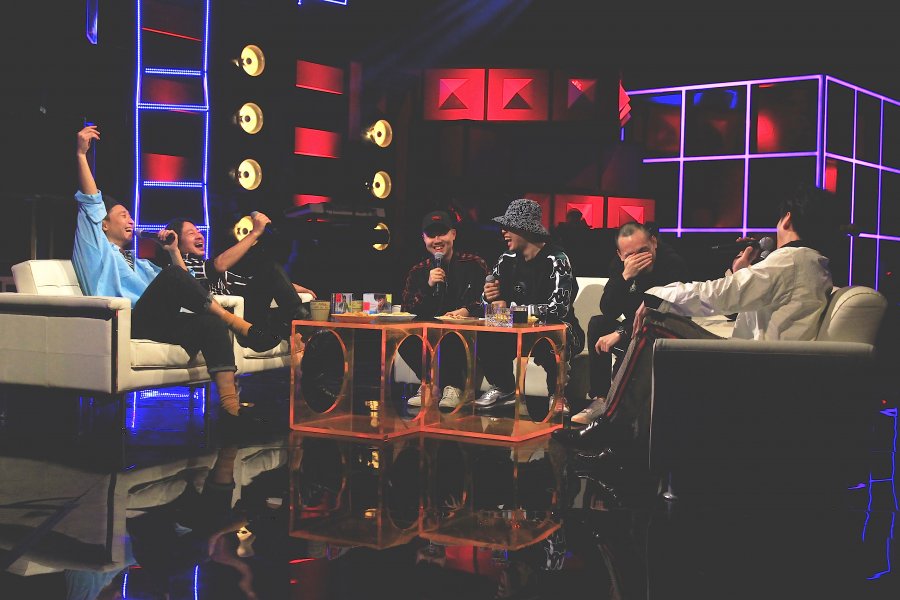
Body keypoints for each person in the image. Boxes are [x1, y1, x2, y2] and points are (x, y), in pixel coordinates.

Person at [553, 182, 842, 451]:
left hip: (758, 363)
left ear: (787, 219)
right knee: (613, 323)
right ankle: (618, 419)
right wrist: (742, 269)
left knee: (653, 323)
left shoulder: (789, 261)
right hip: (766, 359)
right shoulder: (808, 263)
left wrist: (657, 297)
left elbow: (717, 295)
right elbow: (742, 301)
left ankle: (612, 425)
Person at [72, 125, 278, 420]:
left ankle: (230, 407)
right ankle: (236, 323)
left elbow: (185, 283)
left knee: (209, 323)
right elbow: (91, 201)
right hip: (122, 321)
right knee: (172, 277)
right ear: (103, 224)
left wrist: (172, 251)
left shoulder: (139, 263)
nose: (131, 220)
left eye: (131, 216)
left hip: (154, 320)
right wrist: (81, 155)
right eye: (123, 215)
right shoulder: (95, 248)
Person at [571, 222, 690, 425]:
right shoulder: (621, 266)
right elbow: (609, 309)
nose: (638, 259)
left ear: (654, 242)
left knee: (627, 348)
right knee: (598, 324)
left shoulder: (672, 264)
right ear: (620, 255)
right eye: (630, 255)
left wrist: (620, 333)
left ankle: (622, 411)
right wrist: (625, 276)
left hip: (663, 330)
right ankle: (600, 398)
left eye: (643, 251)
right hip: (632, 327)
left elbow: (661, 313)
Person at [476, 198, 585, 411]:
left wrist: (510, 310)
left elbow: (558, 309)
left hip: (557, 329)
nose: (503, 232)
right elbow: (485, 305)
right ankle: (504, 388)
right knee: (486, 329)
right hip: (516, 331)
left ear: (525, 228)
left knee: (555, 332)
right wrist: (488, 298)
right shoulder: (506, 259)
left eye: (509, 227)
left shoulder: (557, 259)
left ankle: (557, 394)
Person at [164, 214, 317, 342]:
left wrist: (297, 288)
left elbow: (253, 281)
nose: (199, 235)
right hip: (231, 325)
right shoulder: (179, 269)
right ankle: (303, 324)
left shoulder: (206, 267)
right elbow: (219, 264)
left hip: (250, 322)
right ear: (177, 241)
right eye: (191, 233)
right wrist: (255, 233)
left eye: (198, 231)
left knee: (269, 268)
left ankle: (303, 324)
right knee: (269, 267)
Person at [400, 210, 489, 409]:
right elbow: (408, 308)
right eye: (431, 235)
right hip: (429, 333)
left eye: (442, 233)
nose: (437, 240)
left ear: (453, 234)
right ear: (424, 239)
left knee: (449, 333)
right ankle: (430, 384)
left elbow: (487, 300)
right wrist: (428, 286)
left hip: (466, 333)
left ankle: (454, 387)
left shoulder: (474, 264)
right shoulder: (418, 271)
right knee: (403, 338)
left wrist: (466, 310)